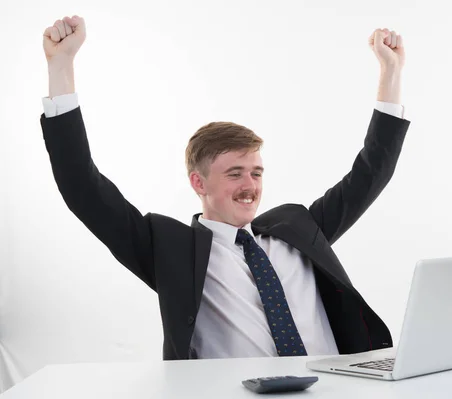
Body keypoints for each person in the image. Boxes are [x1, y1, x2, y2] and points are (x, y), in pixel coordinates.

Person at [40, 15, 411, 360]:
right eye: (235, 173)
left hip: (337, 389)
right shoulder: (169, 248)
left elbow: (370, 173)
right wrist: (61, 68)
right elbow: (82, 187)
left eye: (257, 172)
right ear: (198, 182)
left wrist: (390, 73)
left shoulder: (297, 227)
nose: (250, 184)